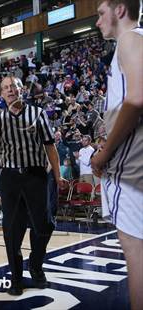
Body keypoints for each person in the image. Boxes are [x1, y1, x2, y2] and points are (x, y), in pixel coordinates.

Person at [0, 76, 67, 296]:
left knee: (44, 225)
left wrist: (58, 174)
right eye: (5, 88)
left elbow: (50, 146)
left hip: (36, 175)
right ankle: (16, 277)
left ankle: (35, 264)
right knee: (11, 230)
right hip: (10, 177)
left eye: (13, 86)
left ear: (21, 89)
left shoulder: (38, 113)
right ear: (2, 94)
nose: (10, 90)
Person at [92, 1, 143, 309]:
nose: (98, 21)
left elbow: (136, 99)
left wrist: (104, 154)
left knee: (137, 257)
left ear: (119, 10)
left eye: (100, 13)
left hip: (133, 170)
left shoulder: (129, 38)